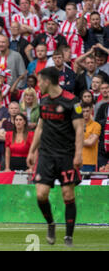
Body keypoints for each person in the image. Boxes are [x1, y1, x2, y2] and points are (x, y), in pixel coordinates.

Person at [27, 67, 84, 247]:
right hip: (46, 155)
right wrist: (31, 151)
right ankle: (51, 224)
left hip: (66, 155)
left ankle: (68, 236)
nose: (38, 85)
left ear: (47, 81)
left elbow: (79, 129)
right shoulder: (43, 101)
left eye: (40, 81)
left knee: (67, 194)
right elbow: (40, 127)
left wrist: (78, 154)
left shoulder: (72, 101)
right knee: (41, 195)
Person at [81, 102, 100, 172]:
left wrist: (77, 140)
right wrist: (87, 140)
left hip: (89, 162)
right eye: (83, 111)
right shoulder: (76, 125)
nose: (85, 113)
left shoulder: (96, 125)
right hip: (76, 161)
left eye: (87, 111)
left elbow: (91, 142)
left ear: (91, 111)